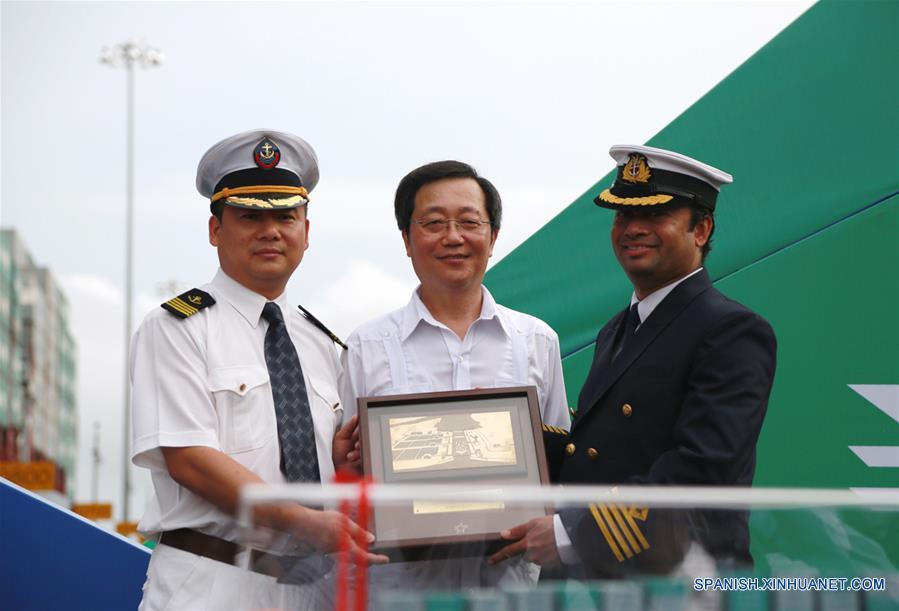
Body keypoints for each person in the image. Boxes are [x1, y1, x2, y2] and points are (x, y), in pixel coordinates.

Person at [490, 144, 777, 578]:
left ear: (701, 229)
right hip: (603, 584)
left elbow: (701, 472)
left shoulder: (731, 330)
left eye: (654, 216)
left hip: (676, 585)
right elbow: (595, 454)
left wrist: (570, 536)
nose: (632, 229)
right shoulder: (617, 329)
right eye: (623, 216)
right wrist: (491, 431)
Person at [131, 129, 386, 611]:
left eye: (285, 216)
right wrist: (301, 518)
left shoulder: (320, 341)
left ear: (306, 233)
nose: (270, 230)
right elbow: (189, 458)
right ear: (215, 230)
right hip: (213, 582)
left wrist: (337, 465)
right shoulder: (178, 327)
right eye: (250, 215)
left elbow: (322, 470)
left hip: (311, 588)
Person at [340, 160, 570, 590]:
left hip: (509, 589)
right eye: (433, 223)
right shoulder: (365, 347)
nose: (453, 237)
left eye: (468, 222)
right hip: (399, 590)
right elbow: (345, 477)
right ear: (407, 240)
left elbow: (559, 463)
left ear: (493, 236)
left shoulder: (537, 340)